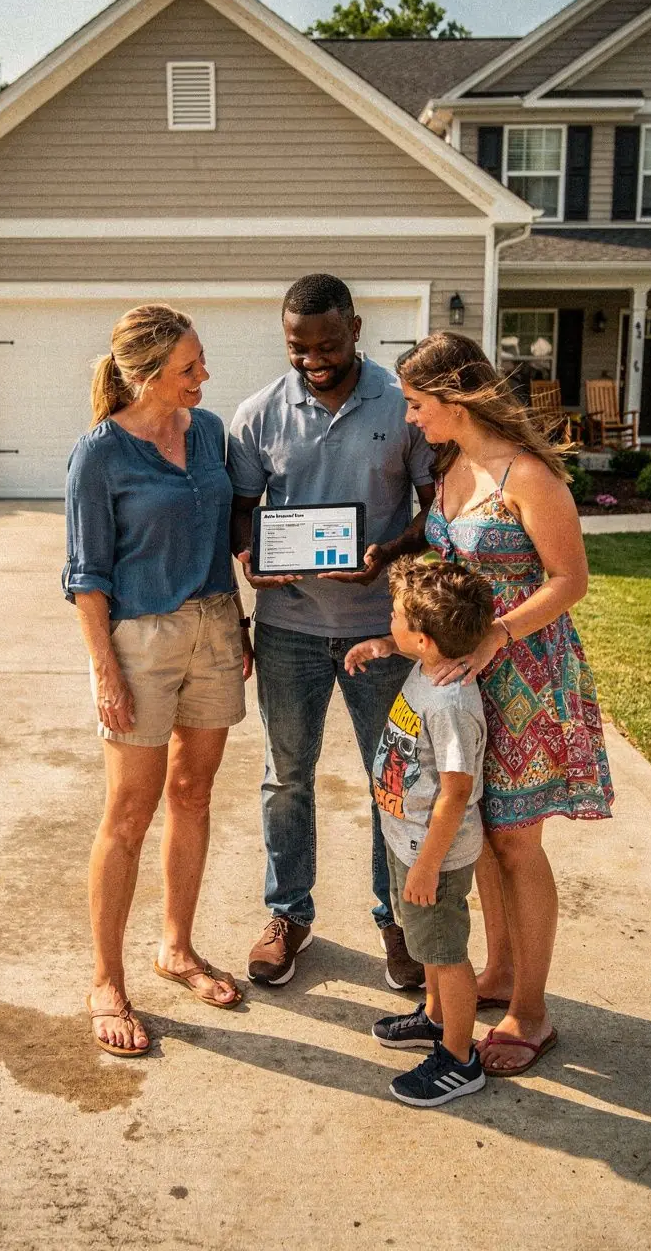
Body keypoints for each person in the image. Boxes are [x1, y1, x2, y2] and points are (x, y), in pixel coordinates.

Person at [395, 330, 613, 1075]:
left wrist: (498, 636)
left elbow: (569, 580)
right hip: (466, 684)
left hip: (524, 677)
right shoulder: (452, 467)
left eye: (418, 404)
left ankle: (533, 1010)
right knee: (482, 835)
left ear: (455, 400)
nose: (411, 418)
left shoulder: (530, 476)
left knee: (519, 843)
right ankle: (496, 973)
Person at [227, 273, 435, 989]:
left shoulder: (401, 405)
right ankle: (288, 914)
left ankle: (397, 923)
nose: (312, 358)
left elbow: (434, 510)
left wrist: (389, 554)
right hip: (288, 630)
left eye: (325, 343)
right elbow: (242, 513)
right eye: (296, 345)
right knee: (286, 778)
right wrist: (251, 560)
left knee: (393, 782)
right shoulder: (256, 415)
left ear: (355, 327)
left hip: (383, 633)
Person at [63, 303, 253, 1056]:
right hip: (139, 639)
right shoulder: (100, 453)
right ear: (144, 376)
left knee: (195, 792)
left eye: (201, 361)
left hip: (212, 625)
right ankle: (107, 979)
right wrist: (105, 669)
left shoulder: (208, 433)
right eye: (188, 368)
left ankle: (176, 947)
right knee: (129, 812)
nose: (204, 376)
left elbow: (225, 534)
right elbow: (86, 576)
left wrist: (236, 623)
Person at [346, 558, 493, 1107]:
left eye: (397, 617)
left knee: (446, 951)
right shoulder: (431, 668)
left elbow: (456, 791)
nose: (390, 619)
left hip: (435, 853)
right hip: (406, 838)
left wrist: (430, 864)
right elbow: (409, 644)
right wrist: (386, 645)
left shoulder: (452, 701)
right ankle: (434, 1016)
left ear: (426, 639)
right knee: (424, 942)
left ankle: (460, 1057)